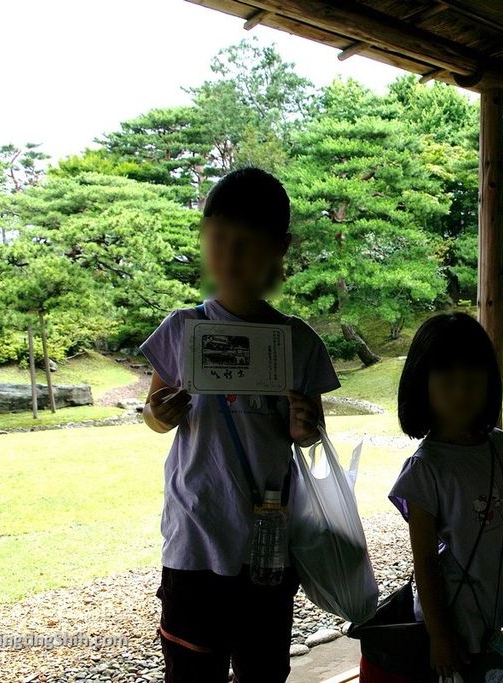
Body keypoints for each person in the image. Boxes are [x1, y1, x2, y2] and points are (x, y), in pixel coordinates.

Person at [139, 167, 340, 683]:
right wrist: (158, 414)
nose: (228, 257)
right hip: (195, 534)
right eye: (216, 240)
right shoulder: (182, 329)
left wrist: (304, 430)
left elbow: (311, 435)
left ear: (279, 249)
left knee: (263, 669)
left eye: (245, 244)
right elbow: (154, 414)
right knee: (191, 669)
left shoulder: (298, 342)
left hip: (269, 545)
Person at [361, 313, 503, 682]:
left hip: (491, 602)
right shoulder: (425, 469)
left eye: (473, 375)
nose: (462, 390)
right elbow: (425, 561)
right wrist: (439, 637)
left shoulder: (501, 447)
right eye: (446, 377)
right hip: (451, 614)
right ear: (421, 383)